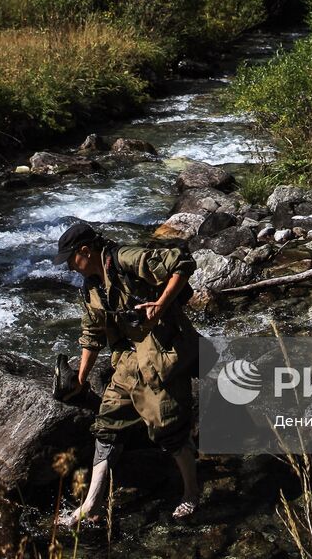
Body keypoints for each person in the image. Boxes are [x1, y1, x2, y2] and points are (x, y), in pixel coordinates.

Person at [53, 221, 201, 528]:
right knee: (107, 426)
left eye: (70, 260)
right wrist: (80, 379)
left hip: (163, 353)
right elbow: (92, 333)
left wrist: (160, 306)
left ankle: (191, 493)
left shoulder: (126, 258)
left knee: (169, 428)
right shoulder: (90, 287)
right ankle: (91, 506)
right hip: (128, 361)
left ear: (85, 251)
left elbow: (183, 263)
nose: (69, 267)